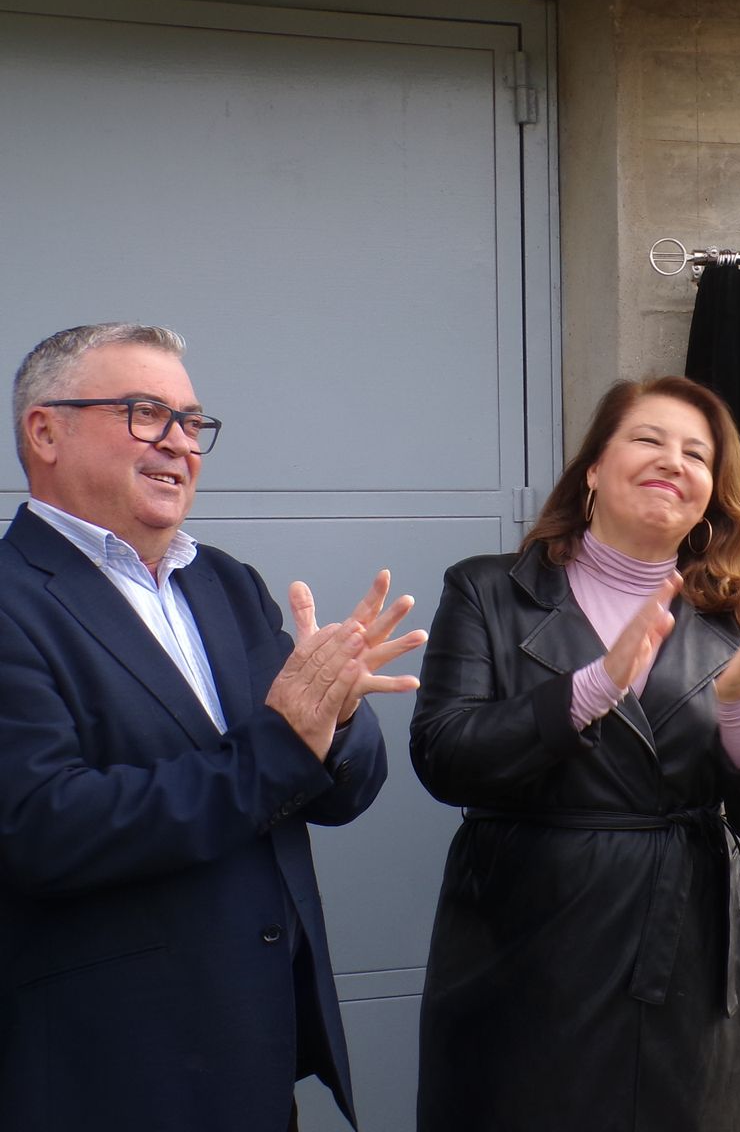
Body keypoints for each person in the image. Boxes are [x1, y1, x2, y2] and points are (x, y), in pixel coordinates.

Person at [0, 322, 427, 1132]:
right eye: (143, 413)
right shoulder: (13, 598)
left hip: (257, 1051)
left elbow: (340, 791)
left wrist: (336, 719)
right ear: (44, 431)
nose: (179, 444)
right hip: (111, 1069)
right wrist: (286, 740)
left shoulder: (225, 584)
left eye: (192, 422)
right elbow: (43, 828)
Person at [410, 375, 740, 1132]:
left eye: (698, 454)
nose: (674, 461)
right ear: (593, 467)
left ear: (712, 495)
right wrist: (594, 685)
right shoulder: (487, 592)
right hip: (527, 941)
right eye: (650, 440)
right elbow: (444, 756)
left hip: (689, 948)